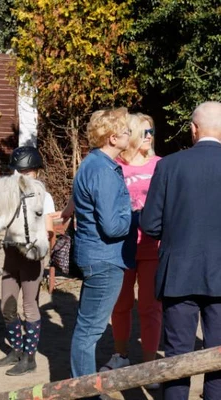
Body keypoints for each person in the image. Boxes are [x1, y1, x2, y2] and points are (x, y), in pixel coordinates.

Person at [140, 101, 221, 400]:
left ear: (194, 129)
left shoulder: (169, 165)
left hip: (179, 272)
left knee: (177, 357)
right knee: (219, 354)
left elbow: (149, 224)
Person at [60, 108, 132, 397]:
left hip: (96, 255)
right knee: (89, 331)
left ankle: (85, 388)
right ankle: (86, 391)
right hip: (104, 257)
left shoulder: (93, 164)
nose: (130, 134)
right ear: (113, 137)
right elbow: (113, 226)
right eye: (126, 131)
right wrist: (135, 214)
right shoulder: (102, 170)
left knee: (87, 328)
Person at [99, 113, 162, 391]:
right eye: (145, 131)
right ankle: (121, 355)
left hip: (152, 248)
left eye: (152, 131)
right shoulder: (115, 166)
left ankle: (150, 366)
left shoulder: (161, 166)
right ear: (133, 135)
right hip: (121, 248)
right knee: (121, 305)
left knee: (150, 308)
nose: (149, 136)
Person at [0, 146, 55, 376]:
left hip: (31, 257)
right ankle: (16, 350)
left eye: (27, 171)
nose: (22, 176)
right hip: (10, 254)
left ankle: (30, 358)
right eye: (18, 171)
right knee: (6, 307)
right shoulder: (10, 195)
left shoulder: (43, 197)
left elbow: (48, 228)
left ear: (37, 172)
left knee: (29, 307)